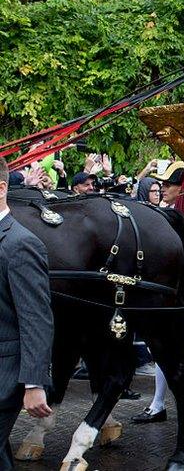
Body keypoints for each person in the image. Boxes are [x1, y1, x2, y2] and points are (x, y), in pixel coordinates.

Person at [0, 156, 54, 469]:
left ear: (2, 188)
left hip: (5, 376)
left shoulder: (21, 243)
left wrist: (34, 384)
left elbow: (36, 319)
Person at [133, 161, 184, 424]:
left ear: (183, 188)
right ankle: (157, 404)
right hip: (164, 289)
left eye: (169, 184)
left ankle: (159, 405)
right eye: (162, 184)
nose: (163, 188)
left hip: (177, 291)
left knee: (165, 347)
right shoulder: (167, 213)